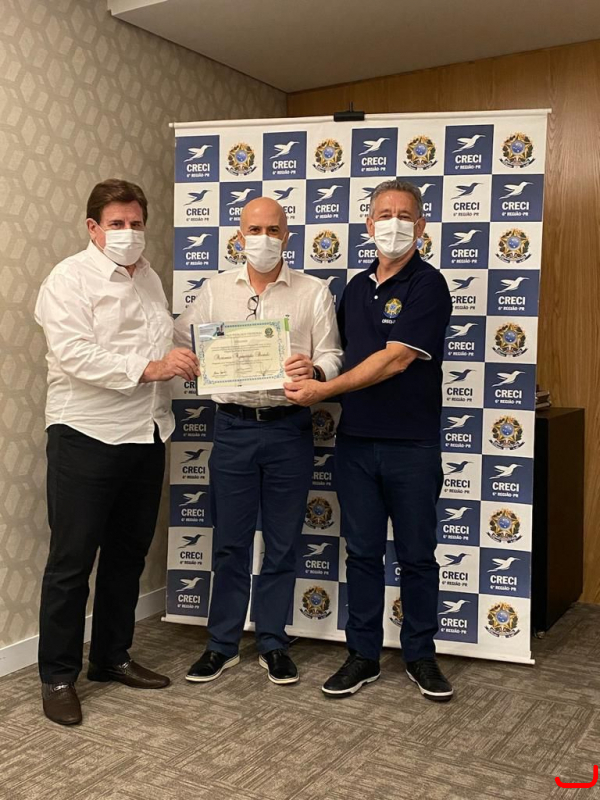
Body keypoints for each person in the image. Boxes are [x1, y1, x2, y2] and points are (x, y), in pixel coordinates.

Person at [35, 179, 199, 726]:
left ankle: (111, 656)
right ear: (93, 228)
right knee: (72, 561)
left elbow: (163, 340)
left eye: (135, 223)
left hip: (146, 433)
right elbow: (74, 353)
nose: (128, 233)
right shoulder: (68, 279)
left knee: (127, 557)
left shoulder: (149, 277)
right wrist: (152, 368)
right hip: (86, 434)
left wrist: (203, 351)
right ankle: (58, 676)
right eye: (117, 224)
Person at [284, 179, 454, 702]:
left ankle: (420, 655)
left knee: (417, 555)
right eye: (384, 214)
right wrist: (310, 369)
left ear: (420, 226)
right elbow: (337, 353)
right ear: (368, 224)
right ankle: (362, 655)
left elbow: (394, 359)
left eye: (404, 215)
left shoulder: (429, 284)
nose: (393, 224)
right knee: (361, 554)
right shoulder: (356, 288)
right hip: (355, 442)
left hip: (411, 445)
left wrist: (323, 390)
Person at [174, 197, 343, 686]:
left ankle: (272, 641)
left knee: (284, 542)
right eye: (254, 229)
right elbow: (182, 340)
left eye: (272, 229)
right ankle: (222, 644)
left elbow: (333, 355)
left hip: (289, 427)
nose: (263, 239)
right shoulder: (215, 290)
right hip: (233, 427)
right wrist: (197, 361)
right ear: (238, 236)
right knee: (230, 542)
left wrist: (314, 370)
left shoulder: (313, 291)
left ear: (286, 235)